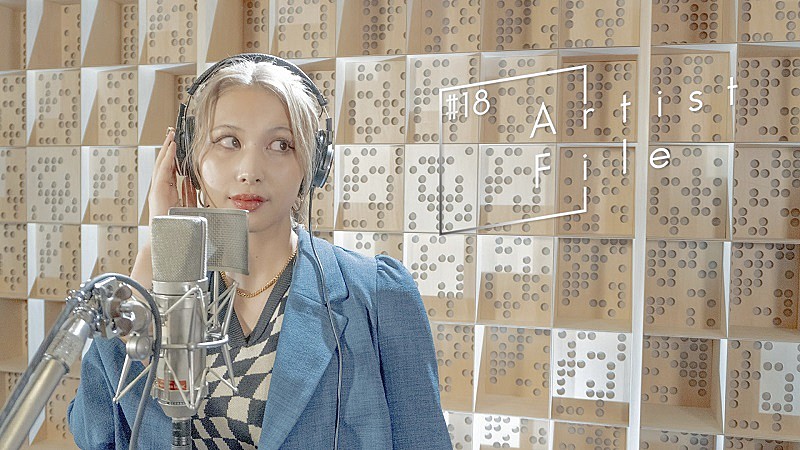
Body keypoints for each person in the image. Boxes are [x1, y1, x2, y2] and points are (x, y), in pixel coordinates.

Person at [67, 56, 452, 449]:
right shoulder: (165, 288)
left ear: (314, 164)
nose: (250, 169)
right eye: (228, 141)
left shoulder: (378, 294)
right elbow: (95, 432)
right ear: (189, 159)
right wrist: (158, 249)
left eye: (280, 145)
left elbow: (424, 439)